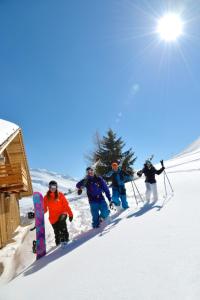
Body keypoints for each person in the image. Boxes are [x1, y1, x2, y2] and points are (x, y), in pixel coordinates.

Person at [44, 180, 73, 246]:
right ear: (49, 187)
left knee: (62, 222)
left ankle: (66, 239)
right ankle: (58, 243)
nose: (53, 188)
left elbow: (66, 205)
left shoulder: (60, 195)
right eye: (51, 186)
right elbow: (44, 209)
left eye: (54, 186)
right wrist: (37, 213)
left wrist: (70, 214)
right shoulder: (46, 197)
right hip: (53, 217)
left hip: (62, 213)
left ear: (56, 187)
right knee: (57, 233)